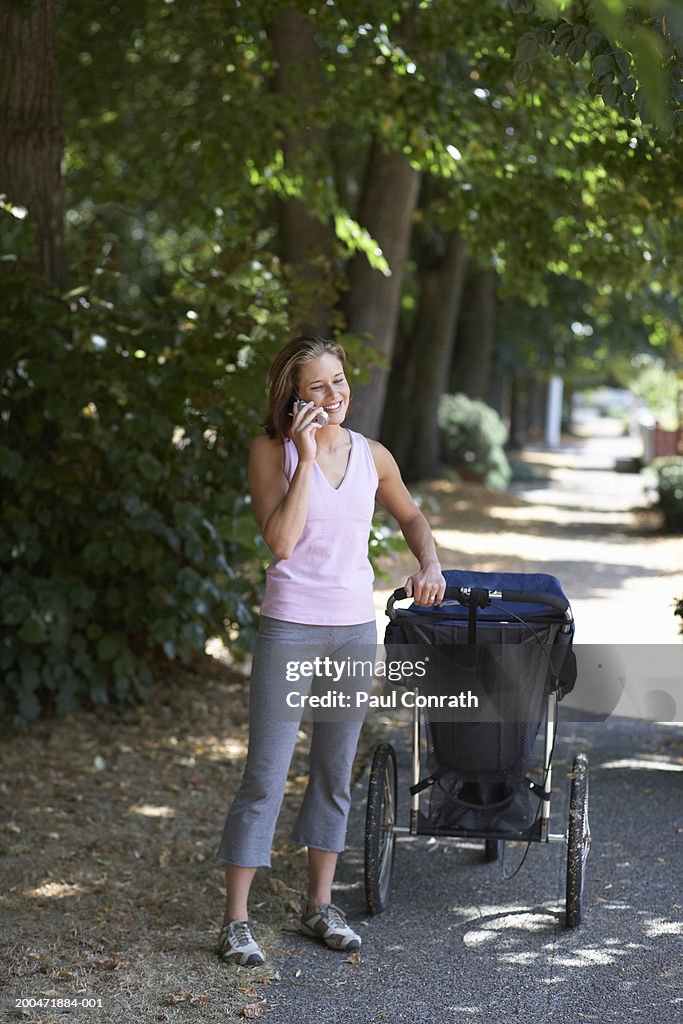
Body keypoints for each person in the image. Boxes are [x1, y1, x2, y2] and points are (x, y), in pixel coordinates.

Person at [216, 335, 446, 966]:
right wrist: (302, 450)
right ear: (292, 396)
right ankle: (236, 920)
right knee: (264, 776)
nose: (333, 395)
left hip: (353, 631)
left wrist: (429, 564)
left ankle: (318, 906)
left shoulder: (373, 455)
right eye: (317, 386)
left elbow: (413, 519)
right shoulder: (271, 451)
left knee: (334, 772)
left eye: (338, 381)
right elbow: (282, 543)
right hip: (290, 627)